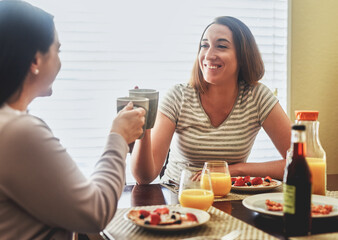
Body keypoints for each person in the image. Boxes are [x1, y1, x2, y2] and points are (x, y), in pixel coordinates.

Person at [0, 1, 145, 239]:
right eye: (57, 50)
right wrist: (118, 138)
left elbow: (67, 204)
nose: (59, 61)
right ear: (36, 61)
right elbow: (95, 214)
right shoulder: (18, 131)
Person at [131, 16, 292, 184]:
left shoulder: (257, 97)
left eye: (221, 46)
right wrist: (144, 127)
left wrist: (237, 169)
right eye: (204, 45)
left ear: (243, 56)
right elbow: (144, 178)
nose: (208, 55)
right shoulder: (178, 97)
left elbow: (306, 163)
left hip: (230, 198)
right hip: (177, 198)